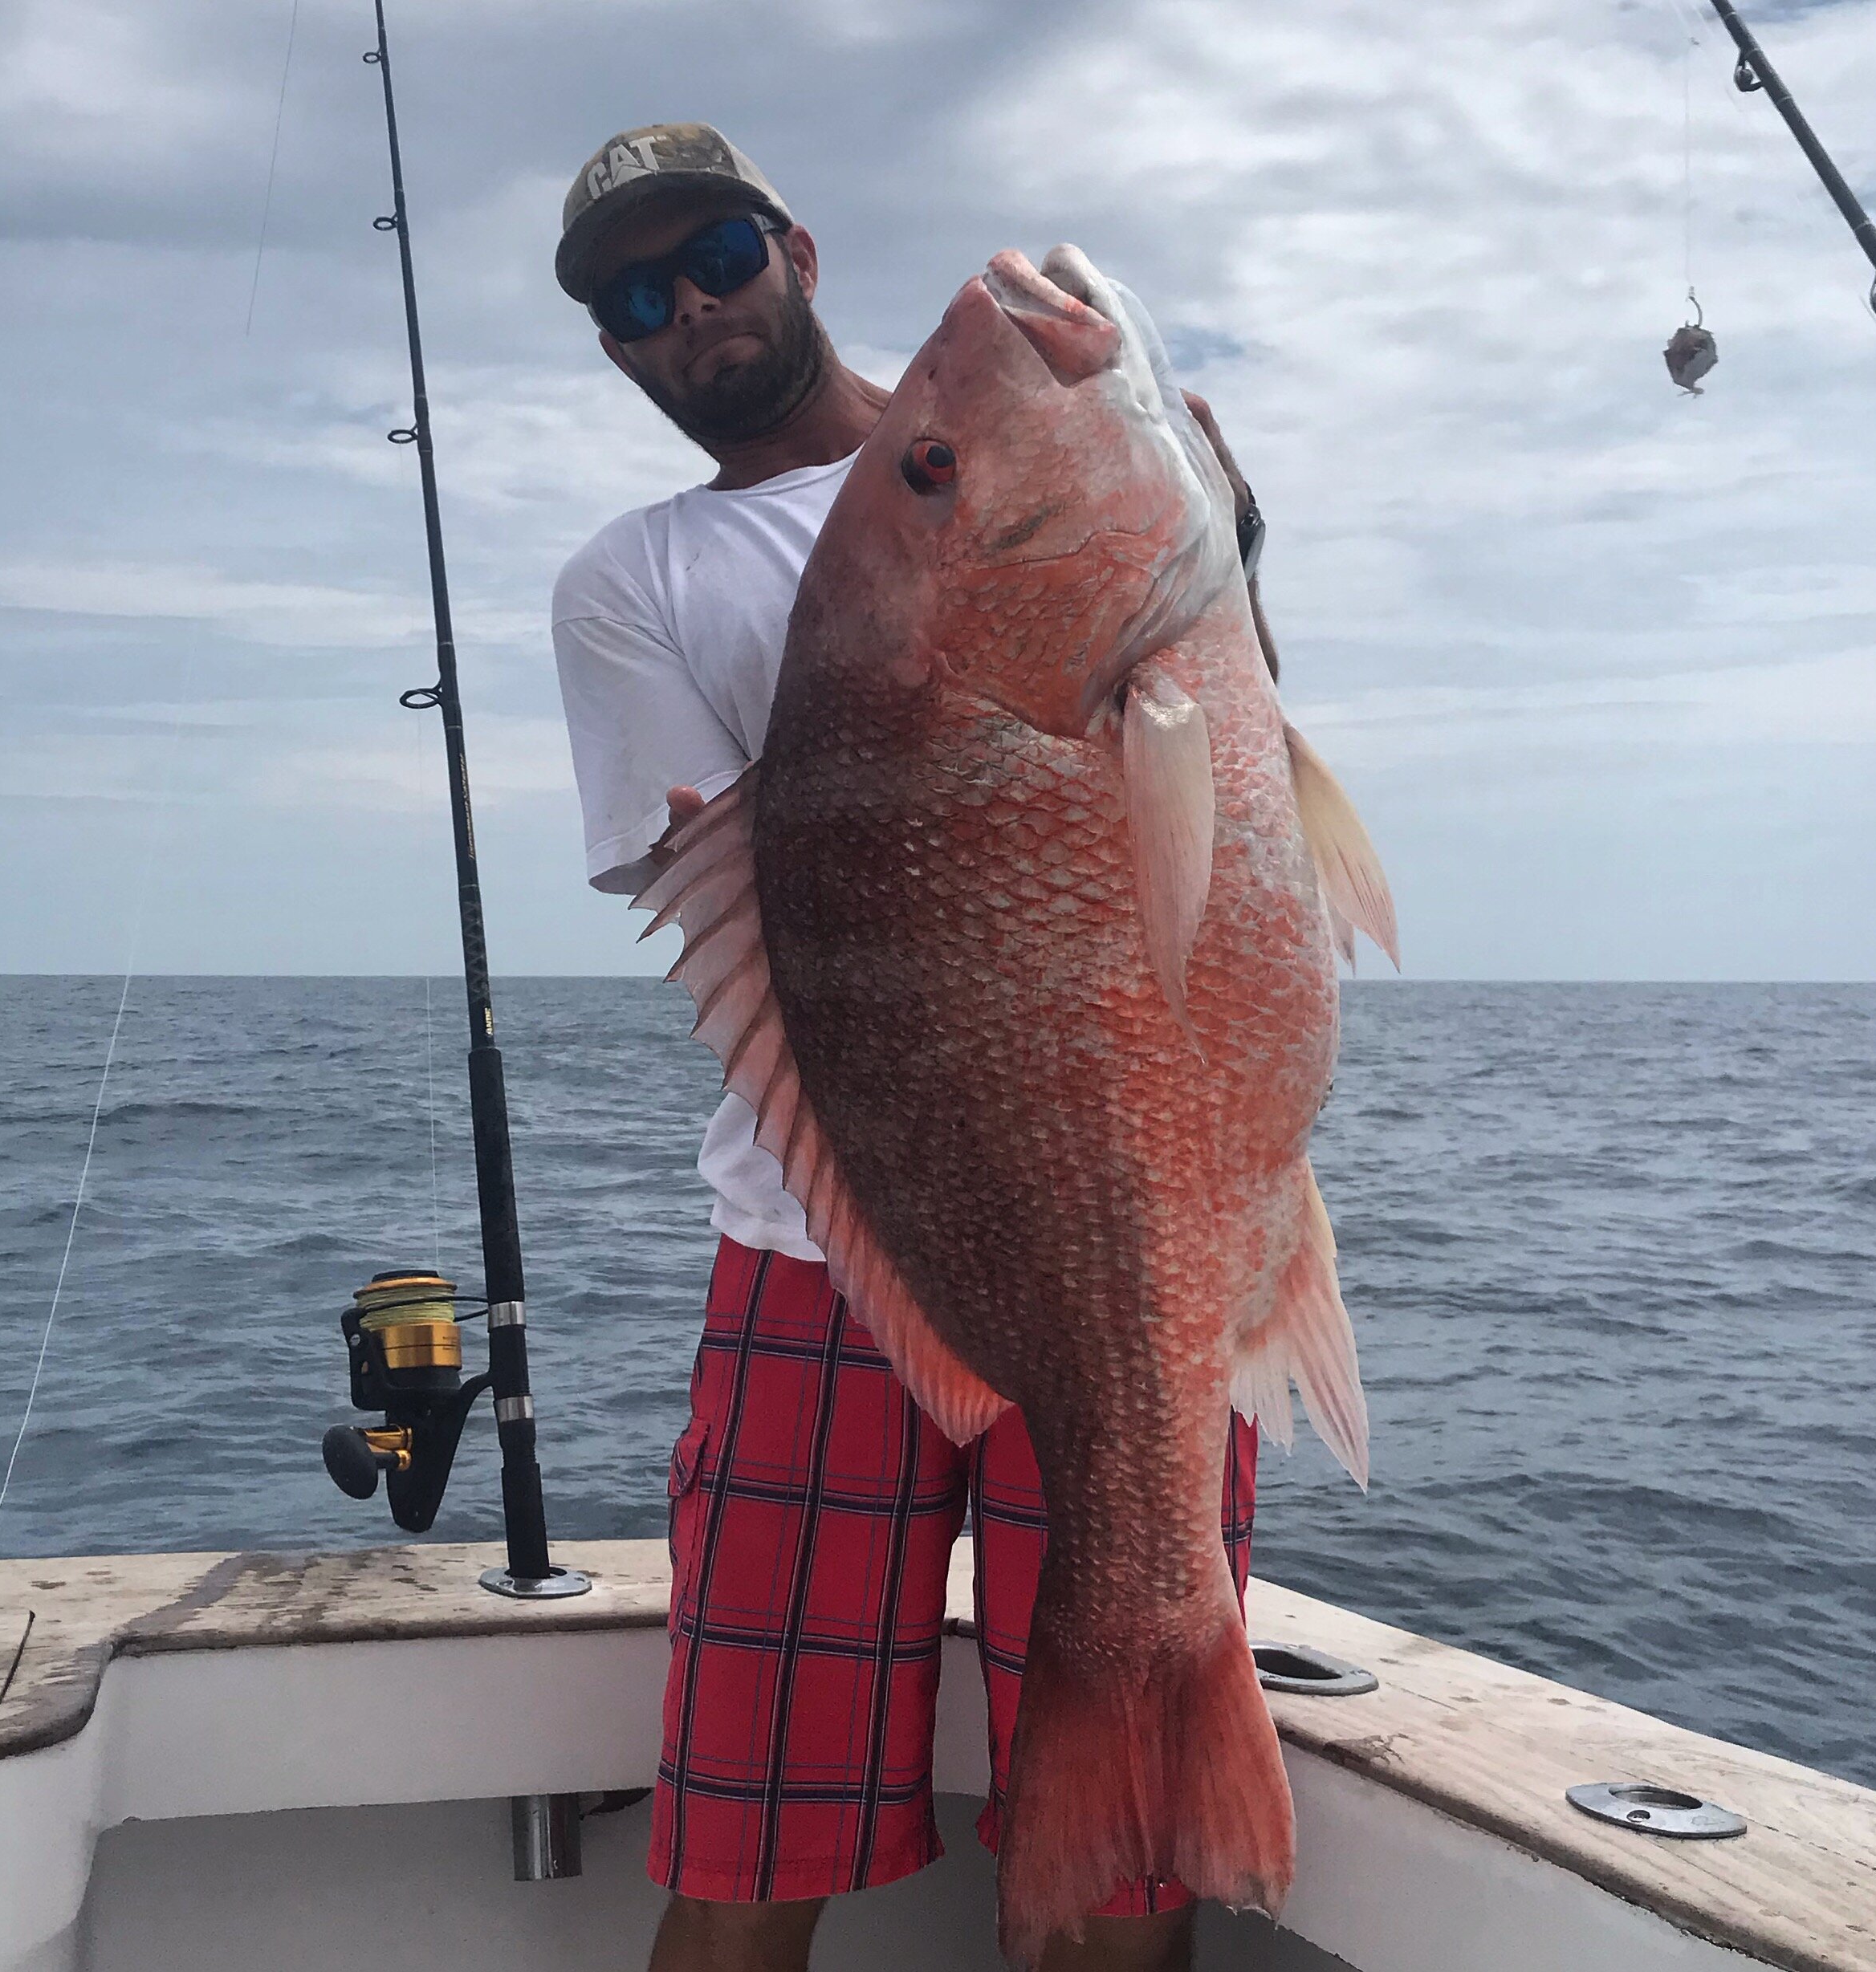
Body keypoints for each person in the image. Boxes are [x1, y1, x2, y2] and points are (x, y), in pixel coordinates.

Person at [551, 124, 1277, 1972]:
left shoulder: (1098, 515)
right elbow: (760, 890)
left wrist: (1223, 555)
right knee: (739, 1824)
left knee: (1131, 1850)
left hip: (1131, 1212)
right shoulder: (632, 579)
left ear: (791, 242)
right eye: (634, 298)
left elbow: (1231, 821)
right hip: (825, 1245)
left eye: (711, 255)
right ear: (619, 348)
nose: (687, 308)